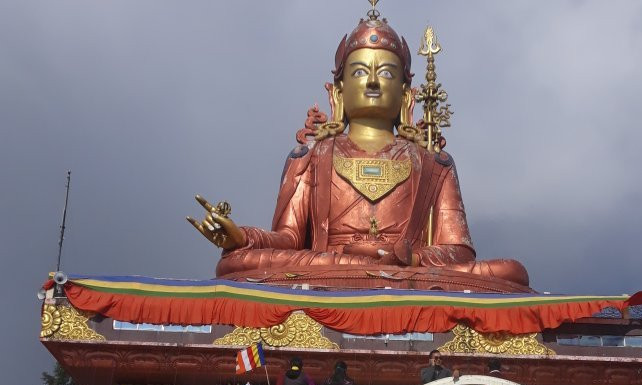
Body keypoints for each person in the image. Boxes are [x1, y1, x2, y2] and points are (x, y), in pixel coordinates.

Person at [187, 7, 530, 292]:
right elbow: (289, 240)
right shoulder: (310, 158)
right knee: (236, 262)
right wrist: (241, 237)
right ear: (338, 90)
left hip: (407, 270)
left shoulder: (434, 165)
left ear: (406, 94)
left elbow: (458, 251)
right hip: (328, 269)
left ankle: (373, 270)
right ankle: (362, 269)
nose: (372, 82)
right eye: (360, 72)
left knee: (511, 271)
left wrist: (410, 259)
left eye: (385, 73)